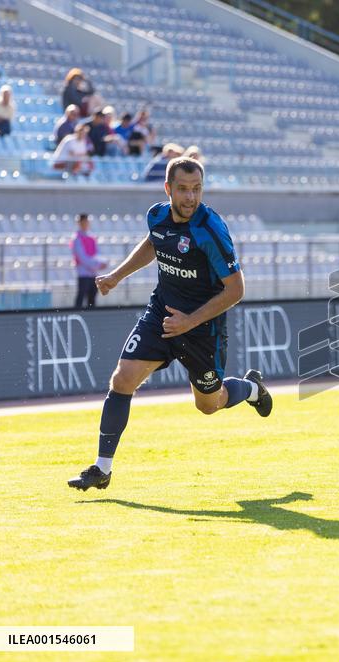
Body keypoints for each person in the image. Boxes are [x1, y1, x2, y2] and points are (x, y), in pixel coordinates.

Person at [68, 157, 273, 492]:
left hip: (202, 328)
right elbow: (154, 242)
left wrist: (189, 321)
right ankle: (102, 468)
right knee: (122, 379)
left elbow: (236, 289)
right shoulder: (157, 215)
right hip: (161, 315)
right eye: (183, 190)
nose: (190, 198)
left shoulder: (210, 230)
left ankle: (251, 389)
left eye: (196, 190)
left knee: (208, 404)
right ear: (168, 189)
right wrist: (117, 276)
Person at [71, 214, 107, 308]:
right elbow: (83, 258)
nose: (85, 224)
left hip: (93, 273)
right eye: (83, 222)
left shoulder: (91, 237)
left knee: (92, 298)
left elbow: (97, 254)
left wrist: (101, 263)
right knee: (81, 297)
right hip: (83, 273)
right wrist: (97, 265)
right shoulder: (77, 239)